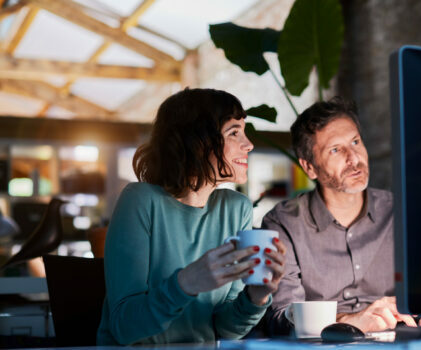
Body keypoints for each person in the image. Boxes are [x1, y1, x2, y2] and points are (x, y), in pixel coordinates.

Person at [97, 88, 286, 345]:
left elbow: (227, 330)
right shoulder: (140, 200)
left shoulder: (236, 208)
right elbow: (124, 327)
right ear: (198, 141)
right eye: (234, 133)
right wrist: (186, 283)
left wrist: (256, 297)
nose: (249, 144)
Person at [263, 97, 421, 336]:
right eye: (335, 150)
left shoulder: (401, 211)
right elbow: (281, 318)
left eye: (355, 142)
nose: (354, 159)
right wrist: (352, 321)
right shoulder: (283, 224)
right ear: (309, 167)